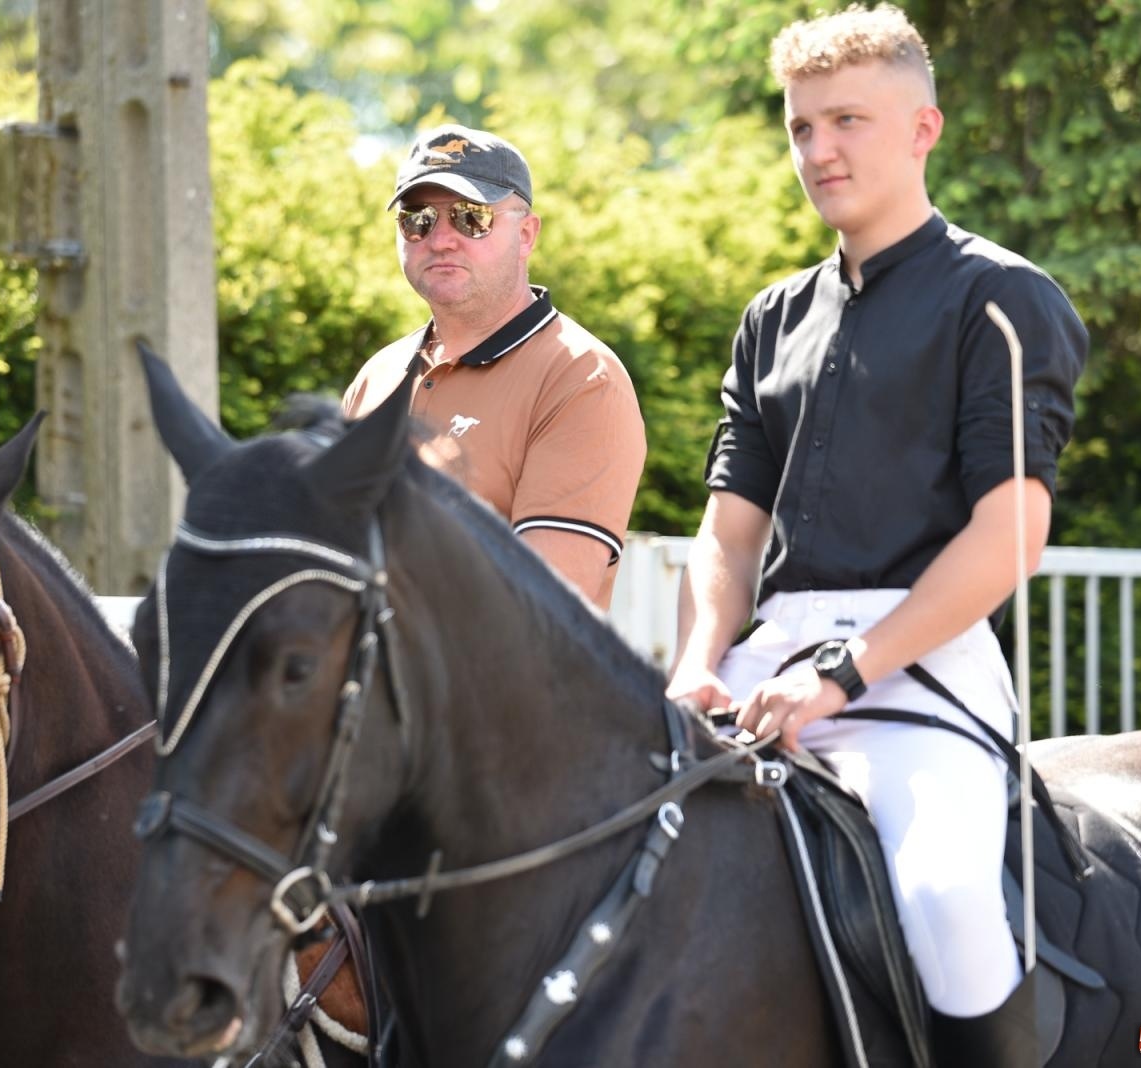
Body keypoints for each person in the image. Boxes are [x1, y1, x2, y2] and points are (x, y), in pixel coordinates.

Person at [664, 5, 1086, 1064]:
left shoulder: (998, 299)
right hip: (760, 670)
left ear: (921, 129)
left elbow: (1007, 537)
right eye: (801, 127)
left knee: (946, 902)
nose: (818, 150)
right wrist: (690, 666)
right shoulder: (769, 317)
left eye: (845, 120)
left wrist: (846, 676)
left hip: (921, 670)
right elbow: (723, 539)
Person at [342, 124, 646, 612]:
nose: (440, 239)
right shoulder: (377, 376)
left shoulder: (581, 377)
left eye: (471, 217)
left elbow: (541, 605)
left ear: (526, 234)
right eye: (417, 219)